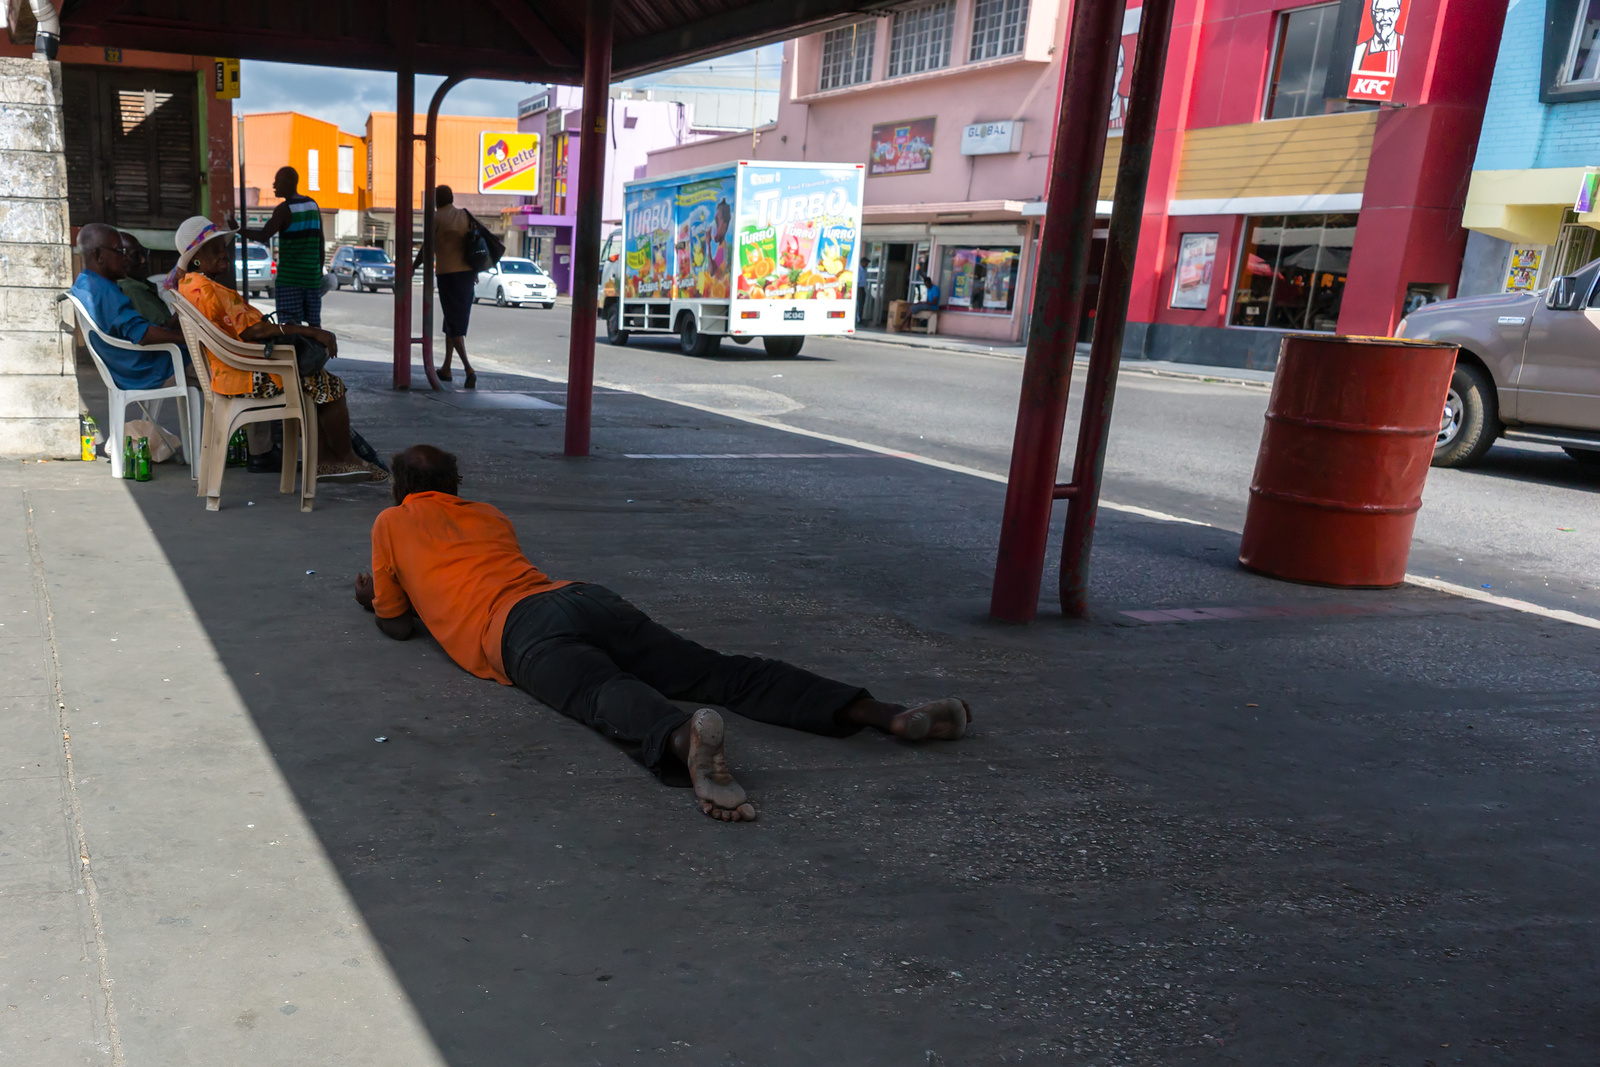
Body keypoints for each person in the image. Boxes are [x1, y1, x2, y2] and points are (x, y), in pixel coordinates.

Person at [354, 445, 971, 823]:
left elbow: (396, 624)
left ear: (400, 488)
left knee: (600, 692)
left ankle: (684, 742)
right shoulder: (489, 515)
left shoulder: (391, 520)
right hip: (580, 598)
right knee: (719, 669)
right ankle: (883, 713)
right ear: (456, 487)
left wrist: (373, 596)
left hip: (515, 630)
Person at [167, 216, 383, 484]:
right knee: (328, 384)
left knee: (315, 380)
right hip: (243, 376)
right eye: (215, 249)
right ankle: (341, 458)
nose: (224, 253)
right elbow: (253, 331)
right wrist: (312, 331)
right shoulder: (207, 289)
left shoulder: (190, 285)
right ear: (196, 257)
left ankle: (330, 458)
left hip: (232, 371)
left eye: (224, 246)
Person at [68, 222, 190, 390]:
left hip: (125, 368)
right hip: (143, 371)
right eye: (119, 251)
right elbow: (142, 335)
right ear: (99, 256)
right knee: (213, 363)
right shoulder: (105, 292)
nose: (124, 257)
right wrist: (188, 339)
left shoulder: (84, 284)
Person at [238, 166, 325, 327]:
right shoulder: (313, 205)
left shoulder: (284, 210)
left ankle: (295, 353)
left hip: (290, 280)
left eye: (277, 180)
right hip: (311, 279)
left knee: (289, 328)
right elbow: (321, 241)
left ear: (290, 182)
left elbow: (264, 235)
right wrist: (318, 271)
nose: (273, 185)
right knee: (314, 327)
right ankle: (317, 352)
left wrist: (238, 230)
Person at [422, 185, 478, 388]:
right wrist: (476, 271)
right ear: (452, 198)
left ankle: (468, 368)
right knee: (452, 321)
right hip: (467, 276)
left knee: (454, 324)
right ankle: (446, 368)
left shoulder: (436, 218)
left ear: (436, 200)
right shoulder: (464, 216)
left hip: (448, 276)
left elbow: (427, 247)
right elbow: (474, 245)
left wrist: (412, 266)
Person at [115, 232, 176, 329]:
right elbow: (167, 329)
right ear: (121, 259)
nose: (143, 260)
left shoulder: (138, 284)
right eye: (136, 255)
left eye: (144, 253)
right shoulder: (133, 290)